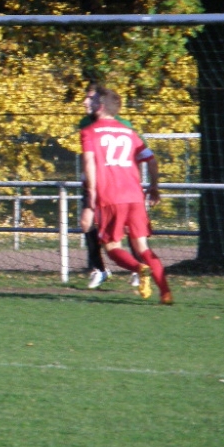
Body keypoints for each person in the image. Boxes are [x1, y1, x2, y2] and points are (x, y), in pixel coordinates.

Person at [80, 86, 172, 304]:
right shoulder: (130, 132)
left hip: (110, 196)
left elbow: (89, 163)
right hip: (135, 196)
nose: (87, 104)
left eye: (92, 102)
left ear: (100, 107)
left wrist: (90, 198)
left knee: (112, 247)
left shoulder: (89, 132)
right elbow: (151, 160)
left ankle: (138, 268)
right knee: (143, 247)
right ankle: (165, 293)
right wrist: (155, 187)